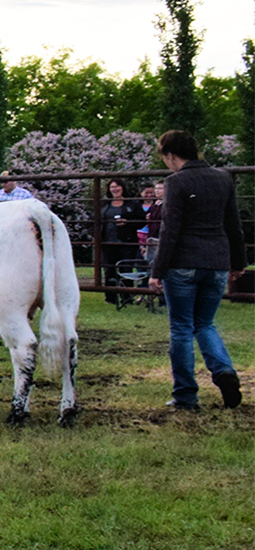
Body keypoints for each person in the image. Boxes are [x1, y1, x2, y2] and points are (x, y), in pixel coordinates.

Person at [147, 130, 247, 411]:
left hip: (182, 264)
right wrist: (238, 262)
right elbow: (234, 225)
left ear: (170, 155)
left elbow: (170, 231)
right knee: (205, 323)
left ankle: (186, 395)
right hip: (215, 262)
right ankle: (224, 371)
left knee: (181, 328)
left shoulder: (176, 182)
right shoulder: (222, 178)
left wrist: (157, 270)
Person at [98, 180, 144, 305]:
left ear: (123, 188)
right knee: (109, 271)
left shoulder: (133, 204)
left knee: (126, 270)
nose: (115, 189)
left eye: (117, 186)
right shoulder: (104, 205)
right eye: (112, 187)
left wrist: (128, 222)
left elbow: (142, 221)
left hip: (126, 242)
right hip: (107, 243)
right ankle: (110, 298)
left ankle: (127, 298)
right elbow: (96, 221)